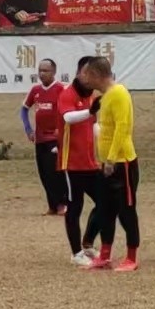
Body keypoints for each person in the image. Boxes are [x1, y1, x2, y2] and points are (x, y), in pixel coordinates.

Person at [83, 57, 140, 271]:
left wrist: (111, 159)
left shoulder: (119, 94)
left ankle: (132, 257)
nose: (84, 78)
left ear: (97, 74)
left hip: (121, 162)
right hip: (105, 163)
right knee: (105, 209)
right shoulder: (105, 96)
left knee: (126, 210)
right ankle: (105, 255)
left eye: (87, 74)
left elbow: (122, 128)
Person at [56, 56, 104, 266]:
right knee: (75, 206)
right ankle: (76, 253)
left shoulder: (92, 97)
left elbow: (94, 127)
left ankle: (88, 243)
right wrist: (90, 111)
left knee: (107, 201)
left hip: (90, 162)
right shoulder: (67, 94)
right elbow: (68, 118)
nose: (88, 77)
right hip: (71, 162)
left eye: (92, 73)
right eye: (86, 72)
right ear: (78, 73)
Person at [22, 58, 69, 214]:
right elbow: (24, 110)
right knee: (43, 172)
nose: (42, 74)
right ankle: (52, 205)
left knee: (55, 171)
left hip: (55, 139)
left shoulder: (62, 89)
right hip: (40, 139)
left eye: (45, 71)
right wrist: (29, 129)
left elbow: (68, 112)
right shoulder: (35, 90)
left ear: (54, 72)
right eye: (40, 70)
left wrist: (61, 130)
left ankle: (63, 203)